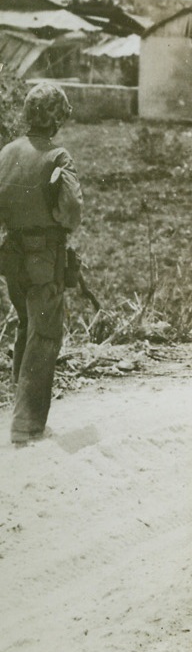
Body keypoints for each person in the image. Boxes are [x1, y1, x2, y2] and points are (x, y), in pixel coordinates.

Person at [0, 83, 83, 446]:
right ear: (55, 118)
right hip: (43, 257)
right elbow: (71, 213)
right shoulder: (58, 156)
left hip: (11, 255)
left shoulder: (5, 152)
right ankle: (27, 424)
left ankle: (20, 411)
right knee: (44, 334)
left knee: (26, 327)